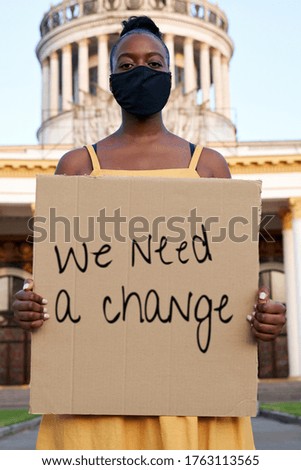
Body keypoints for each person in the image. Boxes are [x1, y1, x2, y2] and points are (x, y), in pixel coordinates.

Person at [12, 16, 286, 450]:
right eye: (127, 65)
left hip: (193, 407)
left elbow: (229, 296)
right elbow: (56, 287)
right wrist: (31, 306)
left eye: (154, 63)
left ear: (172, 76)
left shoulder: (211, 168)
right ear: (110, 78)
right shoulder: (76, 167)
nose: (141, 72)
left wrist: (262, 318)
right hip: (92, 411)